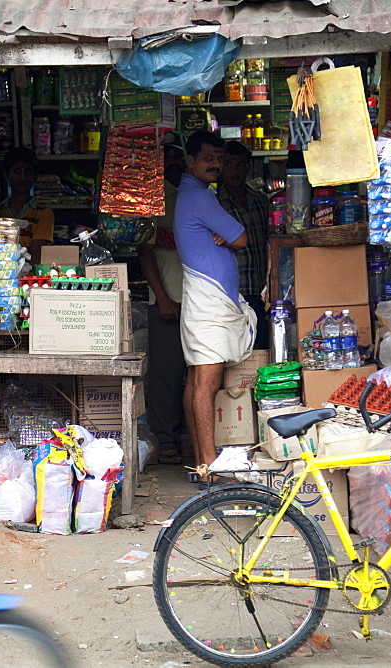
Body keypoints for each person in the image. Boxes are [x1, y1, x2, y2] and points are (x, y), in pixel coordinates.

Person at [173, 131, 255, 474]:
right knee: (206, 384)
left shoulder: (195, 194)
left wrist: (224, 235)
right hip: (208, 302)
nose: (216, 165)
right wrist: (227, 236)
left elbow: (233, 236)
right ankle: (208, 463)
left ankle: (200, 461)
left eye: (218, 159)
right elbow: (241, 236)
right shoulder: (200, 198)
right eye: (208, 158)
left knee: (196, 382)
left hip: (205, 299)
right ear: (191, 161)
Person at [138, 136, 189, 465]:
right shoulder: (155, 201)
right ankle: (167, 440)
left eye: (177, 159)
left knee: (195, 373)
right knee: (166, 375)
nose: (173, 165)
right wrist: (163, 298)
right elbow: (146, 254)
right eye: (166, 160)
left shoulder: (194, 196)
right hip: (168, 300)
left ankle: (187, 437)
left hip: (197, 300)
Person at [216, 140, 270, 350]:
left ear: (248, 167)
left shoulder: (261, 201)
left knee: (263, 344)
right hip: (235, 292)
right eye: (228, 164)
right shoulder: (216, 204)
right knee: (238, 347)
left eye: (240, 165)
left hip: (263, 290)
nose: (234, 171)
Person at [0, 147, 55, 262]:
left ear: (35, 176)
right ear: (6, 175)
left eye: (28, 172)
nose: (22, 178)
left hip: (31, 279)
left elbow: (34, 258)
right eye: (16, 172)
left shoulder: (44, 213)